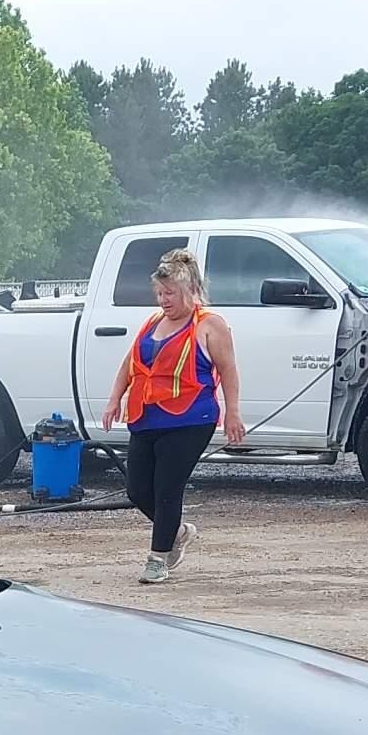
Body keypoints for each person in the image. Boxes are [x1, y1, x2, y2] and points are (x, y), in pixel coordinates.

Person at [99, 248, 244, 585]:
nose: (163, 300)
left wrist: (234, 412)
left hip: (191, 418)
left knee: (167, 488)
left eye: (170, 294)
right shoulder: (153, 322)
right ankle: (177, 531)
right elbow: (129, 363)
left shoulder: (210, 325)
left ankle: (158, 558)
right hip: (146, 416)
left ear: (190, 291)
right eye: (160, 294)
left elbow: (229, 369)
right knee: (137, 490)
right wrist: (114, 399)